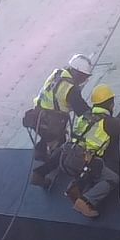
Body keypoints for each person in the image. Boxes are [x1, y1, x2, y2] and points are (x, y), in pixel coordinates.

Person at [58, 84, 120, 219]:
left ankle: (74, 188)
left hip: (68, 155)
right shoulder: (108, 122)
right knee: (111, 178)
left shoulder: (84, 116)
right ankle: (84, 202)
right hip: (84, 159)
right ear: (110, 104)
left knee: (90, 173)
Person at [26, 54, 93, 185]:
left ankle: (40, 152)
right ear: (76, 72)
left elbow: (56, 95)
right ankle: (40, 174)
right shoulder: (71, 89)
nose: (84, 80)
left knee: (48, 137)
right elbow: (83, 111)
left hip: (36, 116)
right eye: (83, 77)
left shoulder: (58, 73)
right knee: (63, 149)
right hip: (51, 125)